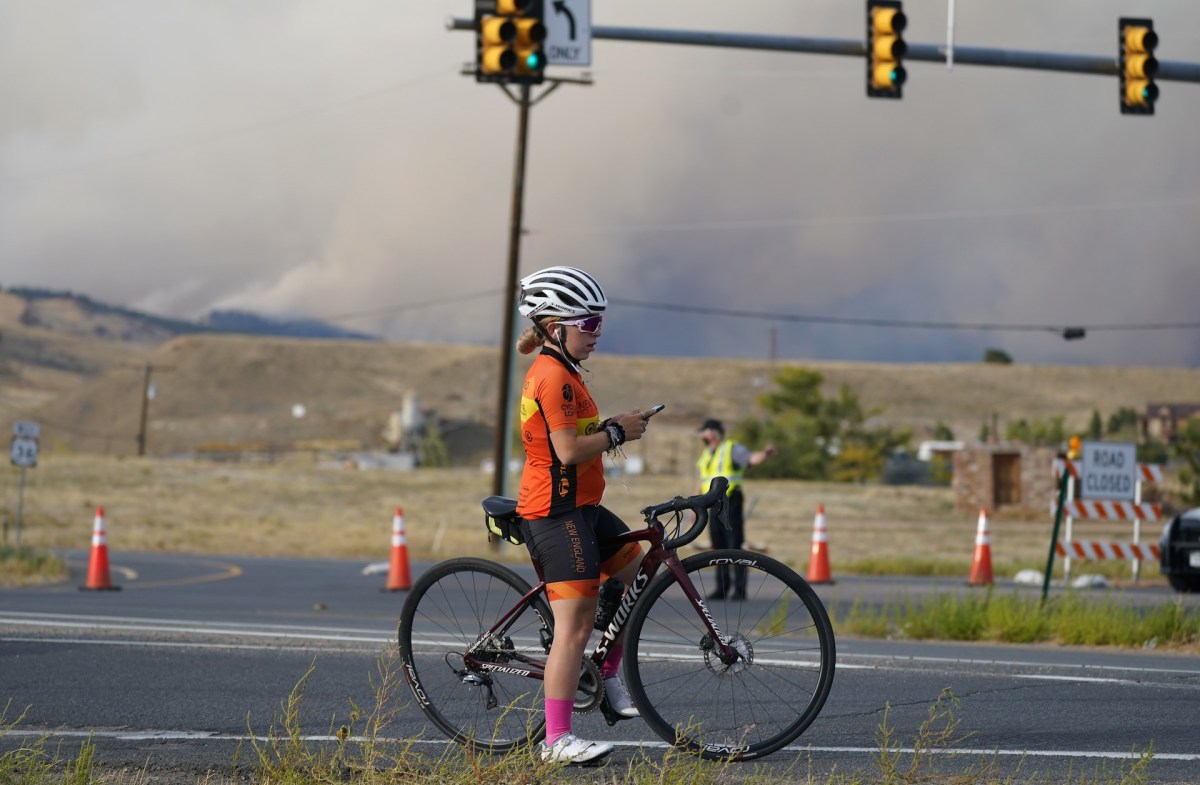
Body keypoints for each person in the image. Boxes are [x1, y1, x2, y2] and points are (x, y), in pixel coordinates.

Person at [513, 265, 651, 766]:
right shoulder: (551, 375)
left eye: (598, 323)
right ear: (556, 328)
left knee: (641, 575)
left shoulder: (568, 371)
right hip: (554, 513)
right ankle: (556, 741)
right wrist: (618, 434)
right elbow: (568, 451)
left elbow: (576, 435)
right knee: (574, 626)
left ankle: (608, 670)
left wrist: (613, 424)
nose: (596, 333)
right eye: (588, 324)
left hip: (584, 508)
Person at [696, 418, 777, 601]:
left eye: (705, 431)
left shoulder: (731, 449)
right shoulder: (706, 454)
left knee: (735, 545)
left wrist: (765, 453)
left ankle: (739, 590)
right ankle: (722, 588)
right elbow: (701, 481)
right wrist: (695, 506)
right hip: (712, 504)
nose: (702, 435)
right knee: (718, 548)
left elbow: (750, 459)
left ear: (714, 433)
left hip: (730, 502)